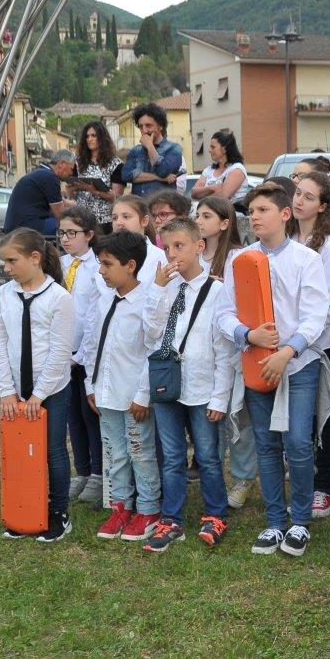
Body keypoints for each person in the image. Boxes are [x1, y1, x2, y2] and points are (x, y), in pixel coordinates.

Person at [214, 184, 330, 558]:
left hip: (298, 364)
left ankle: (300, 520)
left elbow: (316, 314)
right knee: (266, 443)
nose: (255, 217)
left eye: (263, 209)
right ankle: (275, 520)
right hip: (256, 362)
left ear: (284, 214)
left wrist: (288, 351)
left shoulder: (306, 259)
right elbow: (224, 313)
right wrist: (248, 335)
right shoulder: (240, 259)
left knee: (297, 443)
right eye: (251, 211)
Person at [141, 218, 234, 553]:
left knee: (208, 455)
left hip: (202, 386)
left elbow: (224, 349)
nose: (172, 254)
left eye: (179, 246)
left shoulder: (218, 291)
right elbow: (150, 333)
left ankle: (216, 513)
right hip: (168, 385)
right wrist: (156, 289)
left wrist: (220, 397)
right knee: (172, 456)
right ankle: (172, 519)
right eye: (167, 248)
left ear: (199, 246)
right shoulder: (166, 287)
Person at [0, 227, 75, 542]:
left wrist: (39, 395)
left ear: (35, 257)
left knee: (53, 451)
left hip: (51, 390)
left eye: (12, 260)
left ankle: (59, 512)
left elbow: (60, 352)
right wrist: (7, 391)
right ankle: (24, 509)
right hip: (16, 389)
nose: (6, 268)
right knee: (19, 451)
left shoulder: (59, 298)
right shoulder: (3, 295)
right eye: (5, 262)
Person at [81, 230, 160, 543]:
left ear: (130, 265)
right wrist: (91, 384)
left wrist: (143, 394)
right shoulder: (105, 300)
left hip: (133, 396)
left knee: (140, 452)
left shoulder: (147, 302)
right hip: (106, 392)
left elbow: (152, 352)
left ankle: (149, 509)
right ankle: (120, 507)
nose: (101, 270)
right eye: (100, 263)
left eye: (107, 264)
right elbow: (93, 344)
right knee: (114, 453)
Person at [291, 173, 330, 521]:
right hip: (287, 344)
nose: (299, 201)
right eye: (298, 193)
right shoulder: (287, 239)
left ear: (323, 206)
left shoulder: (329, 247)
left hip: (319, 345)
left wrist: (302, 335)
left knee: (323, 415)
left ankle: (323, 487)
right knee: (297, 418)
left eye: (309, 197)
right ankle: (302, 476)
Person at [194, 196, 257, 507]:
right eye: (198, 215)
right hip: (200, 348)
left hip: (232, 348)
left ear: (224, 223)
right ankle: (213, 475)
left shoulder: (237, 256)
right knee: (209, 417)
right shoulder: (193, 255)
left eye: (207, 216)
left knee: (238, 417)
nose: (199, 221)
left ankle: (243, 478)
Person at [58, 207, 105, 505]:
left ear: (88, 235)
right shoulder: (60, 265)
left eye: (72, 233)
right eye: (62, 233)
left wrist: (81, 355)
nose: (65, 239)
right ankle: (83, 471)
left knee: (90, 415)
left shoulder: (97, 267)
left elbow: (93, 317)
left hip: (86, 354)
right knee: (71, 415)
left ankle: (99, 473)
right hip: (64, 353)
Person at [3, 150, 75, 235]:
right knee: (70, 224)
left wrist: (75, 204)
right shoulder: (50, 177)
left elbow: (59, 200)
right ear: (62, 164)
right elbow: (60, 214)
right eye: (71, 169)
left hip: (15, 226)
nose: (71, 173)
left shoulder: (42, 171)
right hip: (26, 227)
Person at [122, 103, 184, 198]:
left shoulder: (174, 148)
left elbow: (162, 171)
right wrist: (159, 178)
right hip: (140, 204)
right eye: (141, 126)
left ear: (160, 126)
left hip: (163, 204)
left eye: (148, 126)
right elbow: (126, 175)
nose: (144, 131)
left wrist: (150, 146)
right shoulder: (135, 151)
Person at [71, 121, 118, 231]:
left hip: (104, 221)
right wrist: (70, 190)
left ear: (102, 138)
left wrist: (94, 191)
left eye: (93, 135)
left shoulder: (115, 164)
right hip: (81, 219)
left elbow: (116, 197)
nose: (89, 139)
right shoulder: (78, 162)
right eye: (87, 136)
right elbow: (73, 196)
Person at [109, 195, 166, 281]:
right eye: (114, 218)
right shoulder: (106, 255)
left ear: (144, 221)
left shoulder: (161, 258)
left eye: (126, 217)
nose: (118, 222)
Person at [192, 131, 250, 205]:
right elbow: (194, 192)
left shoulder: (237, 169)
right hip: (208, 210)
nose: (209, 150)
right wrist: (213, 188)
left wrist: (203, 193)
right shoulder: (209, 170)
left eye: (213, 147)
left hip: (233, 211)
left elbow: (223, 195)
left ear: (224, 149)